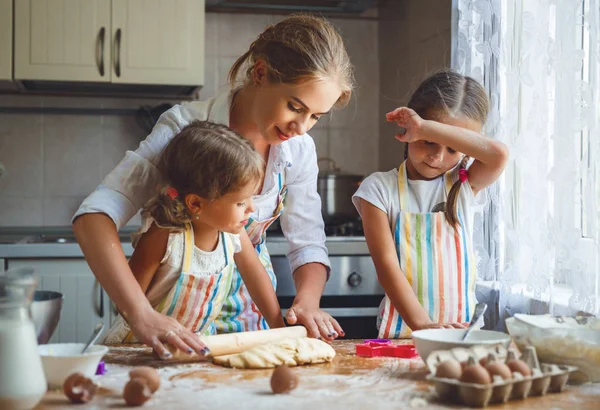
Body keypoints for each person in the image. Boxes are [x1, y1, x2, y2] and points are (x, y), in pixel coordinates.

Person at [73, 14, 354, 358]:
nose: (301, 127)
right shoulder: (184, 127)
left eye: (315, 116)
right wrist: (141, 314)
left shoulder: (298, 149)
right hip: (173, 332)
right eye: (295, 107)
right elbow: (95, 215)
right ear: (260, 72)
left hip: (248, 331)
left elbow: (307, 242)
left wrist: (306, 304)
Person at [353, 70, 509, 338]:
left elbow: (499, 155)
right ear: (409, 130)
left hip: (462, 336)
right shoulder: (378, 189)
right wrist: (424, 326)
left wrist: (427, 128)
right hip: (403, 336)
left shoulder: (464, 185)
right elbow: (386, 266)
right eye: (428, 142)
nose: (437, 157)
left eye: (452, 148)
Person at [102, 121, 285, 350]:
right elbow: (127, 301)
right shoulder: (165, 237)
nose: (251, 209)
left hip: (196, 347)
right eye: (240, 202)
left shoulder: (233, 235)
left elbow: (257, 280)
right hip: (141, 348)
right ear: (196, 203)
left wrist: (281, 328)